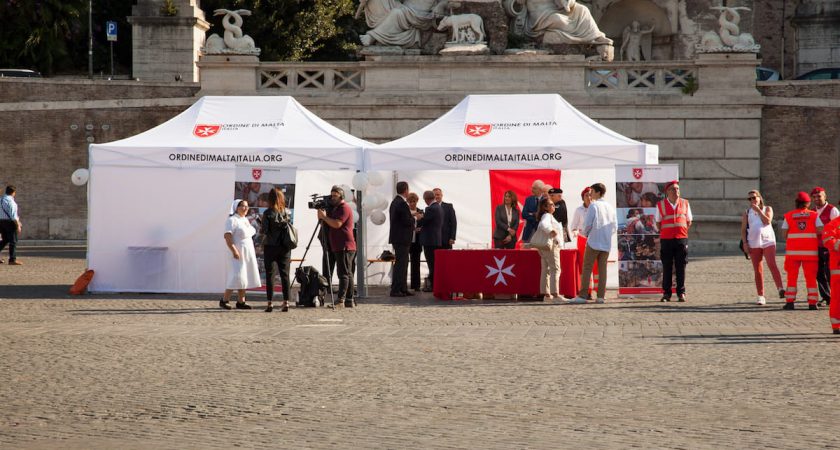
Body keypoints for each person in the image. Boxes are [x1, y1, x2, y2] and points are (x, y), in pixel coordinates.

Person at [569, 183, 617, 304]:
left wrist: (586, 234)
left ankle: (583, 295)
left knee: (587, 268)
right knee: (602, 270)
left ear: (598, 192)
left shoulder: (594, 206)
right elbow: (614, 226)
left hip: (594, 241)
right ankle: (600, 296)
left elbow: (587, 225)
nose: (590, 194)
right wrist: (606, 235)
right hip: (606, 243)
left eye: (592, 192)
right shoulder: (610, 207)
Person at [780, 191, 823, 310]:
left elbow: (784, 234)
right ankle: (812, 303)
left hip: (793, 253)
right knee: (810, 278)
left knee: (792, 277)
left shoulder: (789, 215)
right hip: (810, 253)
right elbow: (820, 230)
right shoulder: (814, 215)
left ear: (796, 203)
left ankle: (789, 302)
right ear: (808, 203)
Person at [740, 190, 784, 305]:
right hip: (753, 242)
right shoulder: (746, 212)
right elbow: (743, 229)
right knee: (758, 270)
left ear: (759, 198)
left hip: (768, 241)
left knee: (771, 264)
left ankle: (780, 288)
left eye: (754, 198)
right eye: (749, 199)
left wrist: (759, 210)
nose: (752, 200)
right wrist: (745, 243)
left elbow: (767, 221)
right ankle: (761, 295)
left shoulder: (767, 209)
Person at [317, 186, 357, 308]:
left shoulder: (344, 208)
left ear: (341, 196)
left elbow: (337, 224)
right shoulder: (335, 208)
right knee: (347, 273)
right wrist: (322, 217)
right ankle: (349, 300)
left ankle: (341, 300)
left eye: (335, 196)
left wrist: (324, 217)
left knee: (343, 274)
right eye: (331, 195)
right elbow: (329, 222)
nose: (332, 198)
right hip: (339, 245)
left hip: (344, 245)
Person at [220, 199, 261, 310]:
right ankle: (224, 300)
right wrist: (234, 250)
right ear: (236, 207)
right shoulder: (232, 220)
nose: (245, 208)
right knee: (236, 276)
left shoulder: (245, 220)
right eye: (242, 206)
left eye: (247, 206)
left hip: (247, 253)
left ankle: (241, 301)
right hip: (237, 253)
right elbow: (227, 237)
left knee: (244, 277)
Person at [655, 180, 692, 302]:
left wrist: (680, 230)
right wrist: (668, 231)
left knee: (681, 266)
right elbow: (658, 223)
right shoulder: (661, 205)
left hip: (681, 239)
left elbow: (689, 221)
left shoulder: (685, 203)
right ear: (667, 192)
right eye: (673, 189)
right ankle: (666, 293)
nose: (676, 191)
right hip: (666, 240)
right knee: (667, 267)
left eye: (677, 189)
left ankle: (681, 293)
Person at [261, 188, 293, 313]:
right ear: (281, 198)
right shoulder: (287, 212)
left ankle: (270, 303)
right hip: (285, 247)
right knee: (285, 275)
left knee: (270, 275)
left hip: (270, 247)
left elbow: (265, 230)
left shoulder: (267, 213)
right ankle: (286, 303)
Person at [810, 187, 839, 306]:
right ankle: (826, 296)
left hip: (830, 247)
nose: (817, 199)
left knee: (830, 272)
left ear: (825, 196)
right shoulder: (812, 212)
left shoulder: (832, 210)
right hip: (816, 246)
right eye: (814, 197)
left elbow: (837, 228)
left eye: (819, 196)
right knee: (818, 273)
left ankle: (836, 295)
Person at [530, 197, 563, 300]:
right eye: (551, 204)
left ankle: (547, 294)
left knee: (546, 269)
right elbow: (545, 225)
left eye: (554, 204)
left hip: (544, 247)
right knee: (555, 269)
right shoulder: (547, 216)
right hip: (551, 246)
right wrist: (551, 231)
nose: (554, 206)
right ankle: (555, 294)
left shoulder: (545, 216)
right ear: (545, 207)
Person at [389, 181, 415, 297]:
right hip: (402, 238)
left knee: (403, 264)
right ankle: (396, 289)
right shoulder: (402, 204)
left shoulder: (395, 202)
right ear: (406, 190)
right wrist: (414, 219)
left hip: (398, 238)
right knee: (401, 264)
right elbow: (406, 221)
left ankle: (403, 288)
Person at [570, 187, 595, 296]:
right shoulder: (579, 210)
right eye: (586, 195)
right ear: (582, 197)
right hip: (582, 239)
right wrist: (575, 231)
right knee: (584, 265)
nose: (589, 198)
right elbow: (574, 226)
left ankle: (598, 291)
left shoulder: (596, 208)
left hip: (595, 238)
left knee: (595, 265)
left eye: (590, 195)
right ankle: (586, 290)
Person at [417, 190, 442, 291]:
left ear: (427, 199)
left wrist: (419, 217)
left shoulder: (431, 208)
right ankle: (434, 285)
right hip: (435, 239)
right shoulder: (438, 207)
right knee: (434, 263)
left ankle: (432, 286)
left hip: (430, 241)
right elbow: (432, 224)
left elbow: (424, 221)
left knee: (431, 264)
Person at [820, 214, 840, 333]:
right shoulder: (833, 224)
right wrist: (837, 243)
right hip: (838, 267)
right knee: (837, 297)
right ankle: (836, 325)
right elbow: (828, 242)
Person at [0, 185, 22, 265]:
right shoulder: (11, 202)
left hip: (1, 222)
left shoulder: (0, 199)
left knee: (5, 240)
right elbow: (13, 216)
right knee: (13, 241)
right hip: (9, 222)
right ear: (13, 193)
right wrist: (18, 225)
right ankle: (12, 259)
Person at [407, 192, 423, 291]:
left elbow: (424, 224)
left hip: (417, 241)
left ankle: (416, 285)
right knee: (404, 263)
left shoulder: (421, 211)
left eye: (414, 201)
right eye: (410, 202)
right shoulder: (406, 211)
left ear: (417, 201)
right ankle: (402, 284)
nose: (412, 203)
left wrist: (420, 229)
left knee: (416, 263)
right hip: (407, 240)